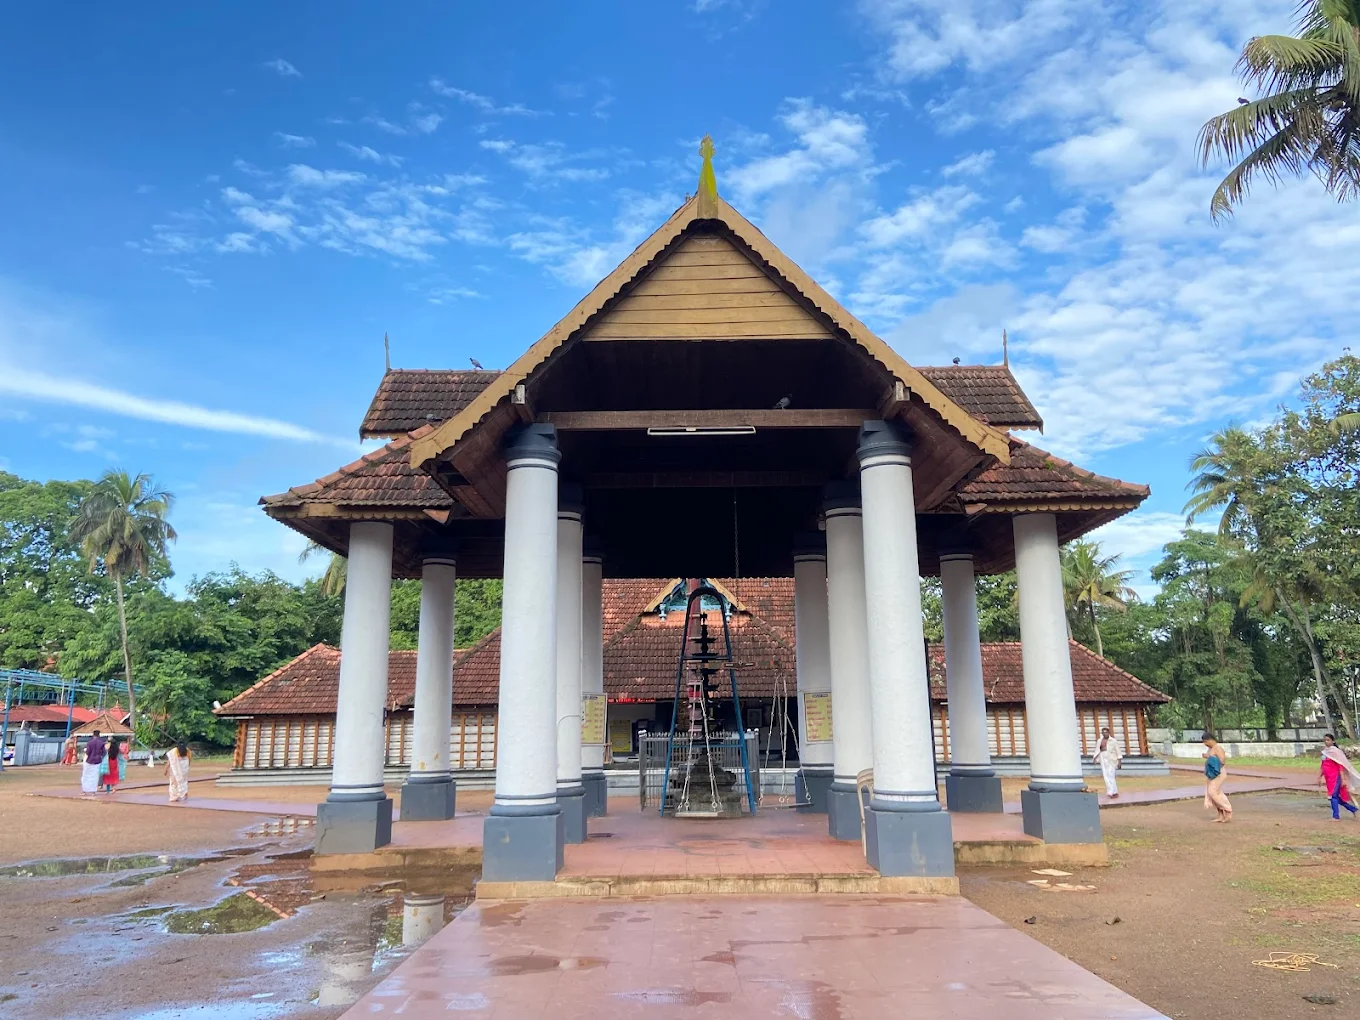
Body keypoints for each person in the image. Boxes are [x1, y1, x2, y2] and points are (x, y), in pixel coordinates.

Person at [1319, 734, 1359, 821]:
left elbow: (1341, 766)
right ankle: (1353, 809)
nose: (1326, 742)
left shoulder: (1336, 752)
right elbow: (1323, 766)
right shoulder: (1325, 752)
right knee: (1334, 797)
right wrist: (1320, 777)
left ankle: (1335, 816)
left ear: (1333, 741)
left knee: (1333, 796)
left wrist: (1343, 779)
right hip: (1328, 777)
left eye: (1328, 740)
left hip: (1336, 777)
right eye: (1325, 740)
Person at [1202, 733, 1232, 822]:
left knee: (1213, 792)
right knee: (1212, 794)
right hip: (1211, 774)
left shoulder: (1218, 748)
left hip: (1218, 773)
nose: (1205, 744)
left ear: (1211, 740)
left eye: (1205, 742)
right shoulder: (1211, 749)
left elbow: (1222, 761)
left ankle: (1227, 810)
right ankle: (1220, 815)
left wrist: (1209, 757)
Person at [1094, 726, 1123, 798]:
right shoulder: (1100, 741)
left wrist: (1119, 761)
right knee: (1106, 775)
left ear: (1109, 733)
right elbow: (1097, 750)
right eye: (1103, 733)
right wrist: (1095, 758)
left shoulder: (1113, 741)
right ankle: (1113, 791)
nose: (1104, 734)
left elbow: (1118, 751)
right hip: (1103, 757)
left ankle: (1112, 791)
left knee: (1111, 774)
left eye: (1106, 732)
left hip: (1111, 758)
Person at [81, 730, 105, 798]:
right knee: (95, 776)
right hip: (97, 761)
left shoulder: (89, 743)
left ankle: (84, 790)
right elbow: (103, 752)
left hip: (89, 760)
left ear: (93, 735)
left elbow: (88, 752)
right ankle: (93, 792)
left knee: (86, 775)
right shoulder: (101, 743)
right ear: (99, 735)